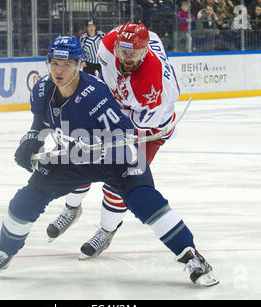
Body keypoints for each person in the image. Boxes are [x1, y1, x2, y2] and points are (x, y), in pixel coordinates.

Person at [0, 35, 218, 287]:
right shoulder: (42, 89)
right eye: (55, 63)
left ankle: (191, 256)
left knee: (147, 202)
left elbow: (126, 134)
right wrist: (32, 139)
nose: (59, 70)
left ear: (79, 64)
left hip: (116, 159)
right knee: (24, 200)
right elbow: (41, 120)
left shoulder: (95, 95)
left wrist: (99, 141)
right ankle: (3, 252)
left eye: (67, 64)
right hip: (72, 157)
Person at [46, 22, 184, 260]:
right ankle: (71, 208)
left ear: (145, 51)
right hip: (118, 109)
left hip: (150, 129)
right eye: (123, 50)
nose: (126, 57)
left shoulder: (155, 86)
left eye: (134, 52)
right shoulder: (107, 45)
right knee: (77, 157)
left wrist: (103, 133)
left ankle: (106, 230)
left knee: (121, 180)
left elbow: (136, 127)